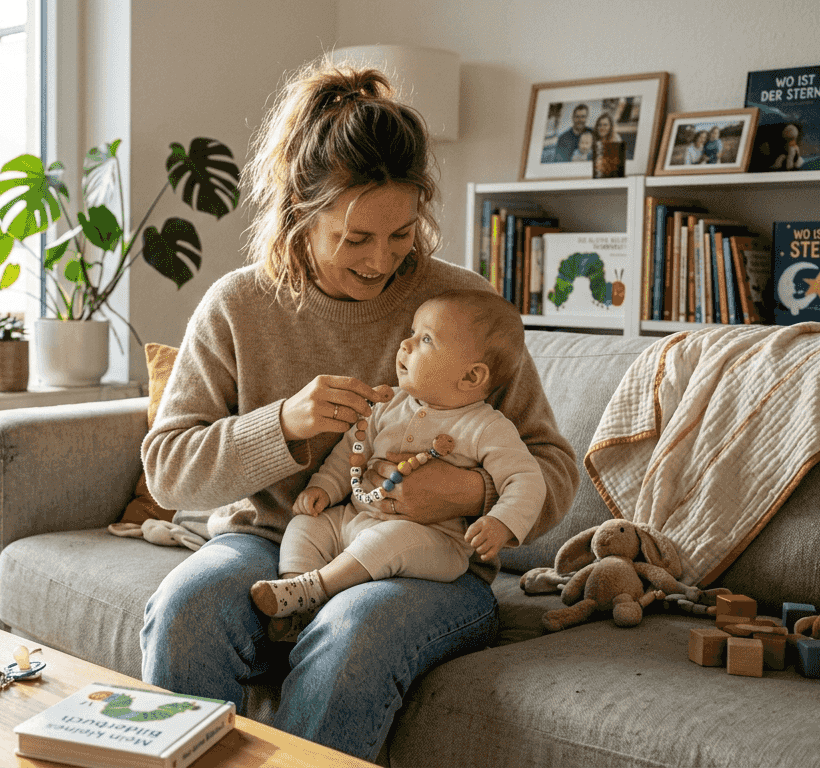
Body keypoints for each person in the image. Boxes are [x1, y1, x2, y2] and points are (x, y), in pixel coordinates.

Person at [139, 57, 579, 763]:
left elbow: (553, 462)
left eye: (402, 234)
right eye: (355, 239)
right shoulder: (238, 305)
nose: (382, 261)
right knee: (186, 612)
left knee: (353, 627)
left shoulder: (460, 308)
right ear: (300, 217)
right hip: (269, 538)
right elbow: (166, 473)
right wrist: (281, 425)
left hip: (427, 567)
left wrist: (474, 491)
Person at [249, 290, 546, 630]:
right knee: (306, 524)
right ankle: (294, 600)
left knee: (389, 542)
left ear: (470, 377)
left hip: (432, 542)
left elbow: (526, 479)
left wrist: (502, 522)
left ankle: (314, 588)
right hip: (357, 517)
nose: (406, 344)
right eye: (412, 332)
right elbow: (351, 451)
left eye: (426, 339)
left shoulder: (487, 427)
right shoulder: (390, 404)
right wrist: (324, 488)